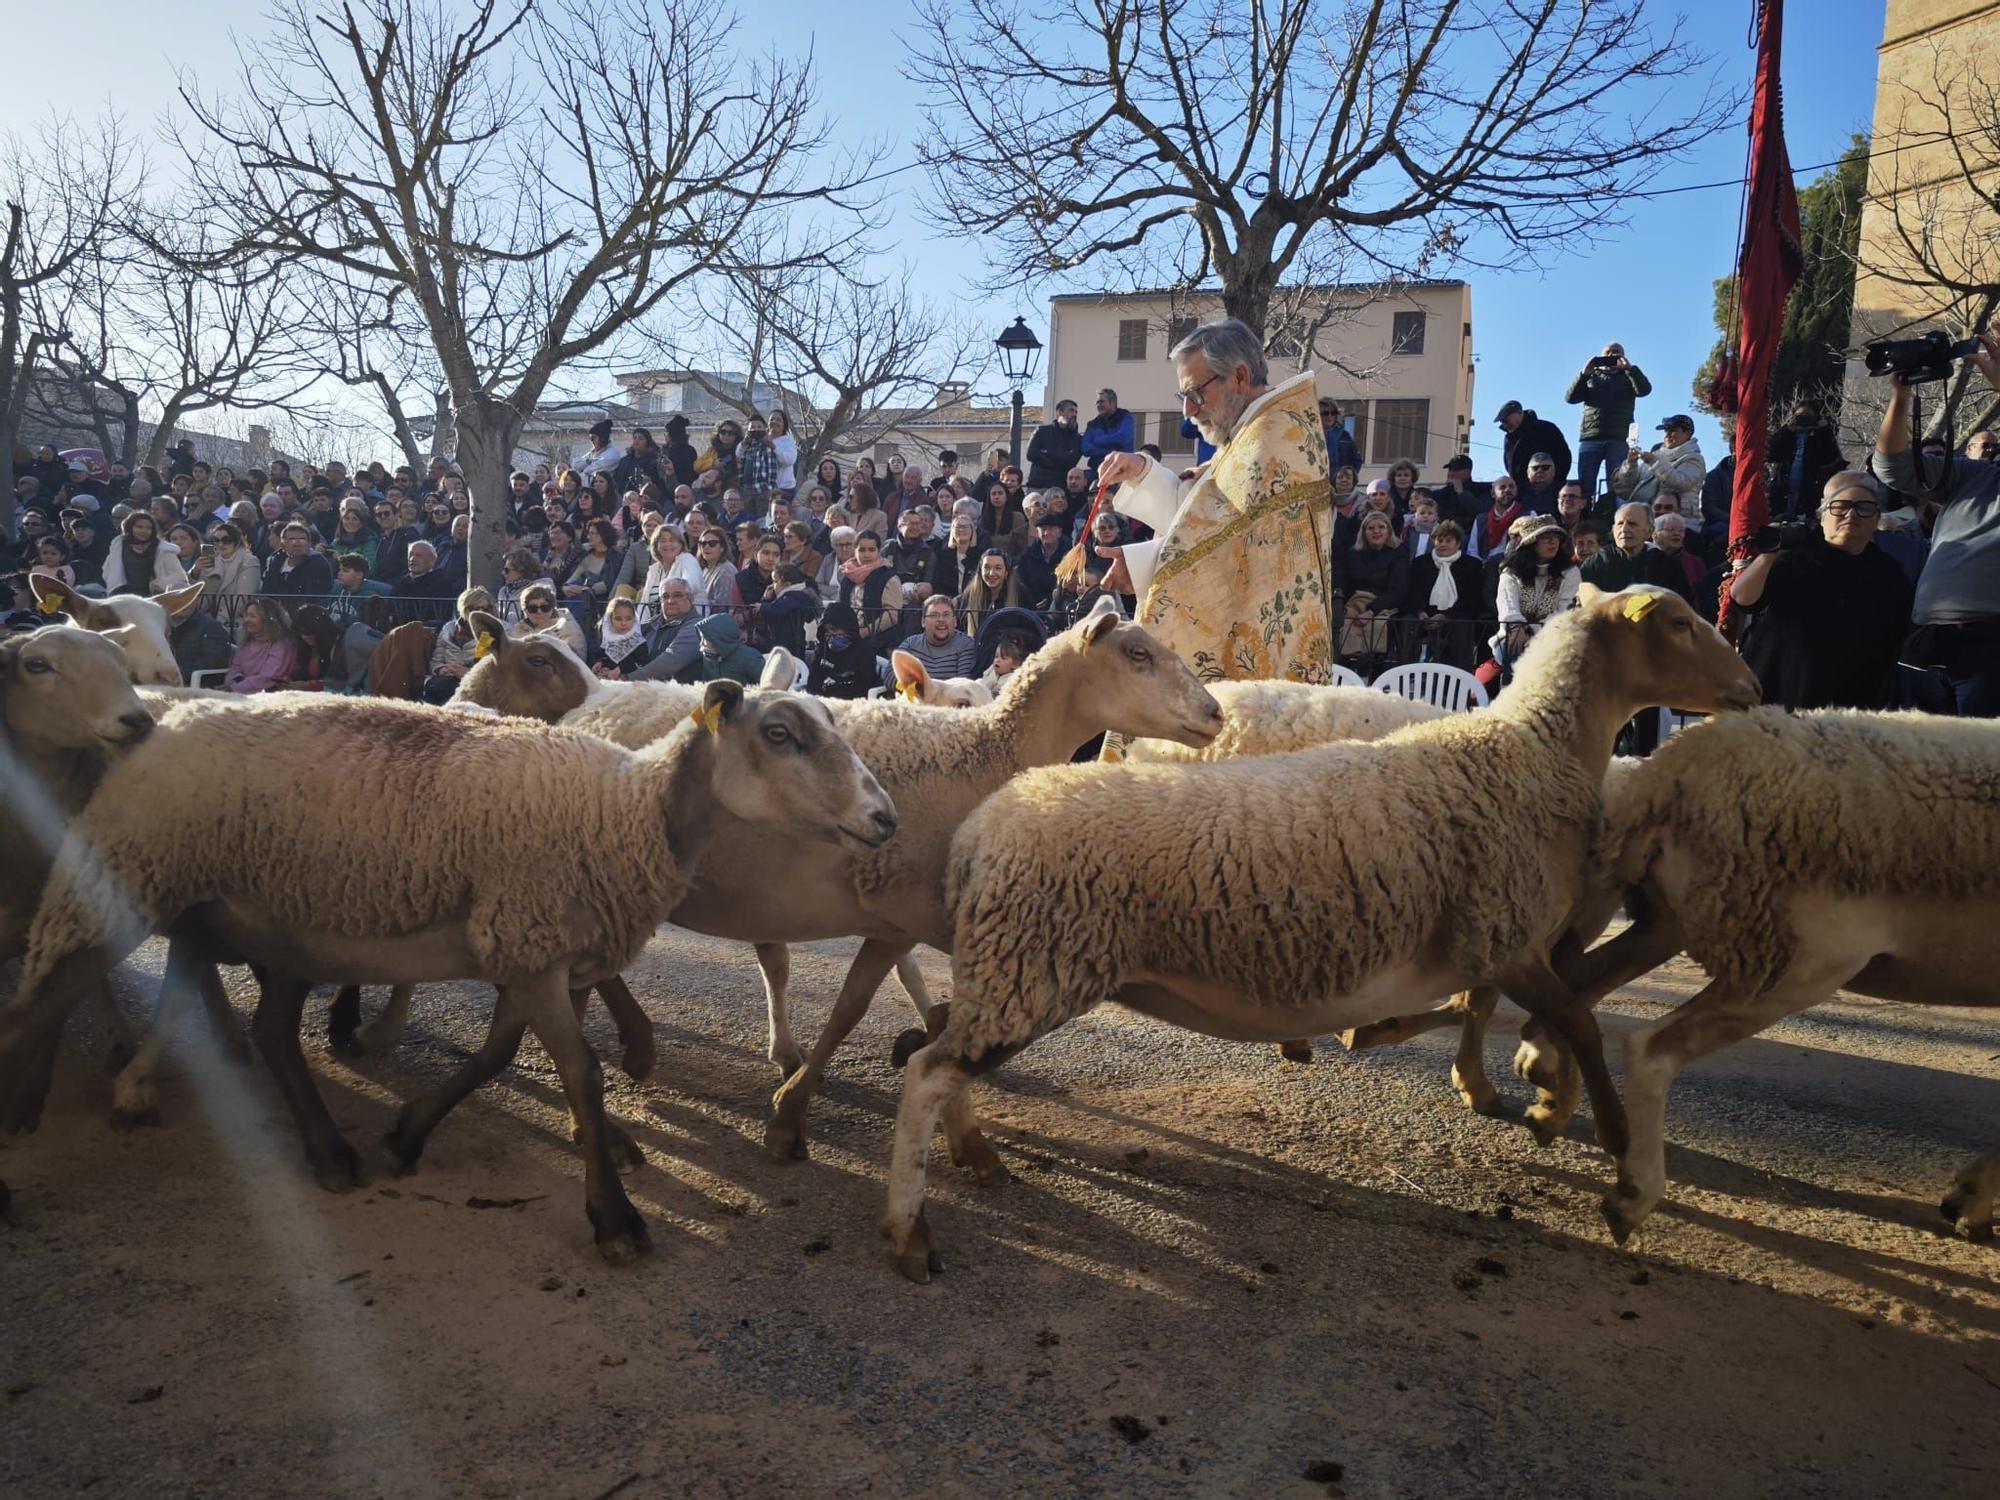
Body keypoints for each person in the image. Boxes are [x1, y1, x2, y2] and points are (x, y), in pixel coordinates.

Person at [1095, 318, 1337, 728]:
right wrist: (1140, 470)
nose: (1188, 412)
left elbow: (1219, 546)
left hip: (1268, 666)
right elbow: (1203, 511)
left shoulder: (1270, 444)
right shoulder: (1247, 437)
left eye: (1195, 394)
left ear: (1238, 377)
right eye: (1183, 395)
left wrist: (1140, 567)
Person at [1872, 328, 2000, 715]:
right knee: (1912, 761)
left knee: (1974, 762)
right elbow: (1893, 468)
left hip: (1989, 645)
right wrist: (1901, 394)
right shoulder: (1976, 476)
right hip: (1925, 640)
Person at [1731, 471, 1913, 710]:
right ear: (1823, 514)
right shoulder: (1795, 556)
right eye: (1840, 506)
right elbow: (1743, 598)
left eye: (1864, 507)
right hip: (1777, 697)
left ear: (1877, 518)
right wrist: (1769, 553)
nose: (1851, 515)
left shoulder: (1889, 572)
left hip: (1851, 708)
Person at [1492, 516, 1580, 672]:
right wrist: (1517, 628)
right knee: (1513, 649)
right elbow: (1507, 606)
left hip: (1554, 635)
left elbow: (1565, 610)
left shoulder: (1570, 572)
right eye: (1545, 537)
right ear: (1531, 543)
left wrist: (1534, 633)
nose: (1553, 542)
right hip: (1514, 635)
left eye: (1556, 537)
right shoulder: (1511, 572)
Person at [1564, 342, 1653, 496]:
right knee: (1585, 485)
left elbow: (1644, 390)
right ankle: (1584, 517)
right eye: (1608, 352)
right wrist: (1584, 374)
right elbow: (1570, 398)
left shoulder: (1628, 377)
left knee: (1618, 484)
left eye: (1616, 352)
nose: (1612, 355)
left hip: (1619, 438)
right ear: (1601, 356)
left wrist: (1630, 370)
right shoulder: (1591, 377)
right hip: (1591, 438)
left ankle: (1613, 516)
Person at [1335, 511, 1409, 672]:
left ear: (1389, 531)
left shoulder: (1398, 554)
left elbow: (1398, 591)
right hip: (1355, 601)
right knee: (1346, 622)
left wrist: (1371, 611)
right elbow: (1345, 584)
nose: (1376, 531)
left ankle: (1374, 670)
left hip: (1384, 603)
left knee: (1378, 625)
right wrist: (1346, 608)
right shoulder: (1353, 554)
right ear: (1364, 532)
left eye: (1381, 527)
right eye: (1371, 528)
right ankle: (1348, 670)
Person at [1405, 519, 1484, 669]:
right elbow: (1413, 591)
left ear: (1458, 543)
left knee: (1462, 623)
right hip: (1425, 615)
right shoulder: (1421, 562)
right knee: (1407, 621)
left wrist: (1446, 616)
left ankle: (1460, 674)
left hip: (1455, 615)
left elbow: (1472, 598)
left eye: (1448, 540)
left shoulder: (1471, 565)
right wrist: (1420, 611)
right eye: (1439, 540)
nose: (1443, 544)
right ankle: (1405, 670)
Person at [1615, 414, 1707, 525]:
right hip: (1646, 517)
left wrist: (1654, 462)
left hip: (1680, 521)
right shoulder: (1655, 456)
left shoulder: (1694, 459)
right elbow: (1627, 483)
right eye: (1665, 431)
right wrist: (1631, 464)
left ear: (1687, 433)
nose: (1667, 435)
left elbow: (1681, 483)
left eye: (1672, 431)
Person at [1581, 503, 1685, 593]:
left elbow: (1680, 607)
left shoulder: (1667, 565)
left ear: (1649, 531)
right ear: (1613, 530)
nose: (1624, 529)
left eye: (1632, 524)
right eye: (1620, 524)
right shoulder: (1596, 563)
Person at [1767, 401, 1846, 519]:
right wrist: (1787, 430)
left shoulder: (1820, 437)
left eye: (1808, 416)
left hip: (1809, 495)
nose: (1804, 419)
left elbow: (1832, 458)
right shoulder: (1788, 436)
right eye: (1800, 416)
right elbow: (1770, 454)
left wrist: (1824, 430)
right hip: (1783, 494)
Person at [422, 586, 496, 704]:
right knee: (435, 688)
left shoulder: (496, 630)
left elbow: (498, 669)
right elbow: (435, 661)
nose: (480, 613)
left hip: (477, 683)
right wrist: (442, 669)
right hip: (446, 680)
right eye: (474, 609)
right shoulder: (449, 629)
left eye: (486, 609)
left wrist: (467, 673)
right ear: (464, 610)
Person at [623, 579, 702, 682]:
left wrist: (627, 678)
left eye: (677, 595)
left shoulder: (697, 626)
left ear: (691, 599)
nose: (670, 601)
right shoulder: (651, 624)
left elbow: (670, 661)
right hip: (645, 688)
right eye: (665, 597)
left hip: (677, 693)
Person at [838, 529, 902, 644]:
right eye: (862, 550)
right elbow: (841, 607)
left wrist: (864, 632)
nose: (867, 555)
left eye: (872, 550)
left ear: (878, 551)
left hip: (880, 642)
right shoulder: (847, 576)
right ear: (855, 550)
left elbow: (892, 614)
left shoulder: (888, 577)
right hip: (848, 638)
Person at [104, 512, 191, 596]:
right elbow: (108, 571)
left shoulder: (163, 550)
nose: (144, 531)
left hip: (154, 598)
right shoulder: (119, 546)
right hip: (123, 596)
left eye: (148, 528)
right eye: (139, 527)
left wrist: (157, 585)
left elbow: (178, 577)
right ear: (130, 527)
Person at [1495, 399, 1572, 489]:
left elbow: (1564, 456)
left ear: (1519, 413)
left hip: (1550, 489)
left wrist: (1557, 482)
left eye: (1506, 419)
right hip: (1522, 491)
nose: (1504, 423)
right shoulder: (1509, 438)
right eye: (1502, 421)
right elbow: (1509, 465)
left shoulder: (1546, 429)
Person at [897, 595, 978, 679]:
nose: (941, 619)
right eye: (934, 615)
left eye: (946, 615)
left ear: (955, 621)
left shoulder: (966, 644)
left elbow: (964, 683)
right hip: (916, 691)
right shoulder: (910, 644)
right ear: (923, 622)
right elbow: (891, 675)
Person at [224, 600, 296, 694]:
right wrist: (231, 684)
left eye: (252, 616)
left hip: (267, 694)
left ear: (267, 620)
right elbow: (235, 668)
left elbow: (266, 678)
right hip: (240, 690)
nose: (246, 620)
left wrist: (234, 688)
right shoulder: (246, 642)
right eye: (246, 615)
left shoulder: (280, 644)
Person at [884, 506, 947, 603]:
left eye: (918, 524)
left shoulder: (928, 553)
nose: (916, 527)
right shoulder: (889, 548)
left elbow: (928, 582)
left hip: (915, 598)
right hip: (888, 592)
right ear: (900, 526)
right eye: (911, 524)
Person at [586, 596, 657, 679]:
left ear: (634, 619)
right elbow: (602, 656)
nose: (623, 623)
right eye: (618, 619)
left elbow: (644, 666)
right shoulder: (608, 638)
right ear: (610, 620)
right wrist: (599, 663)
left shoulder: (638, 642)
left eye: (628, 619)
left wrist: (621, 669)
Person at [258, 521, 333, 598]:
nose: (297, 544)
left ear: (309, 544)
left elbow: (315, 597)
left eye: (302, 539)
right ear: (282, 545)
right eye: (292, 539)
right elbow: (266, 593)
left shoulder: (318, 564)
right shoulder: (276, 560)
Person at [512, 581, 587, 656]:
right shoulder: (518, 630)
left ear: (552, 608)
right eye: (532, 608)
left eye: (545, 607)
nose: (539, 612)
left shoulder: (567, 625)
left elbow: (576, 658)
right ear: (525, 610)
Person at [389, 539, 456, 620]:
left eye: (418, 556)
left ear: (432, 561)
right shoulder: (401, 583)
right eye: (410, 555)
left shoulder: (441, 583)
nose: (412, 559)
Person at [1027, 399, 1084, 488]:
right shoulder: (1042, 432)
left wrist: (1046, 452)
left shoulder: (1078, 439)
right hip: (1037, 486)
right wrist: (1060, 458)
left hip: (1060, 488)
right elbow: (1031, 454)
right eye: (1071, 410)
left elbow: (1071, 461)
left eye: (1076, 412)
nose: (1074, 414)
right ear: (1059, 412)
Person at [694, 611, 764, 685]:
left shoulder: (749, 657)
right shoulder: (708, 658)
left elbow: (768, 684)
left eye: (705, 639)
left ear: (719, 639)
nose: (701, 643)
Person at [1080, 387, 1135, 476]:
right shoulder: (1092, 424)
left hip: (1120, 471)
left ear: (1112, 403)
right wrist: (1113, 451)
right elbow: (1085, 449)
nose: (1098, 405)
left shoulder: (1125, 418)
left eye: (1102, 402)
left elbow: (1122, 438)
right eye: (1097, 402)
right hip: (1097, 470)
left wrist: (1097, 440)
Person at [1468, 474, 1524, 561]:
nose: (1507, 490)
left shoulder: (1527, 515)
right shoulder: (1480, 520)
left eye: (1511, 486)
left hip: (1514, 565)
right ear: (1492, 494)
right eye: (1502, 487)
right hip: (1485, 567)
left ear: (1516, 491)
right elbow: (1472, 552)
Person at [1427, 453, 1489, 530]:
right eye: (1450, 469)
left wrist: (1462, 493)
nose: (1451, 473)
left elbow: (1481, 513)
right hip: (1444, 536)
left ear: (1468, 471)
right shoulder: (1437, 495)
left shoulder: (1482, 490)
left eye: (1456, 470)